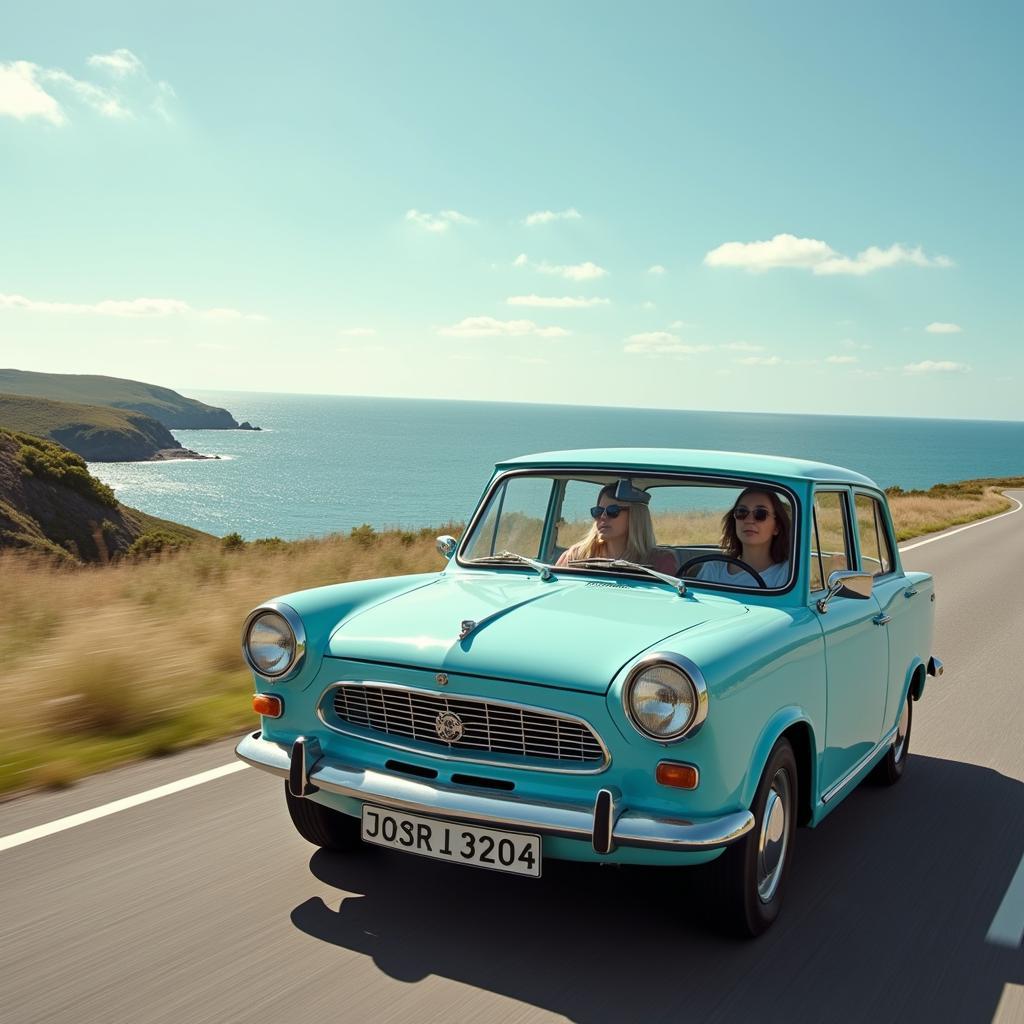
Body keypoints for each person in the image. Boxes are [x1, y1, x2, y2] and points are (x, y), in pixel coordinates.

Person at [556, 480, 677, 573]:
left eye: (613, 511)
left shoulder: (660, 562)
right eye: (598, 511)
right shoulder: (576, 556)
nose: (603, 517)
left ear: (635, 516)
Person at [697, 487, 792, 588]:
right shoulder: (713, 569)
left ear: (776, 527)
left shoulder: (787, 574)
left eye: (760, 514)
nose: (749, 520)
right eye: (741, 512)